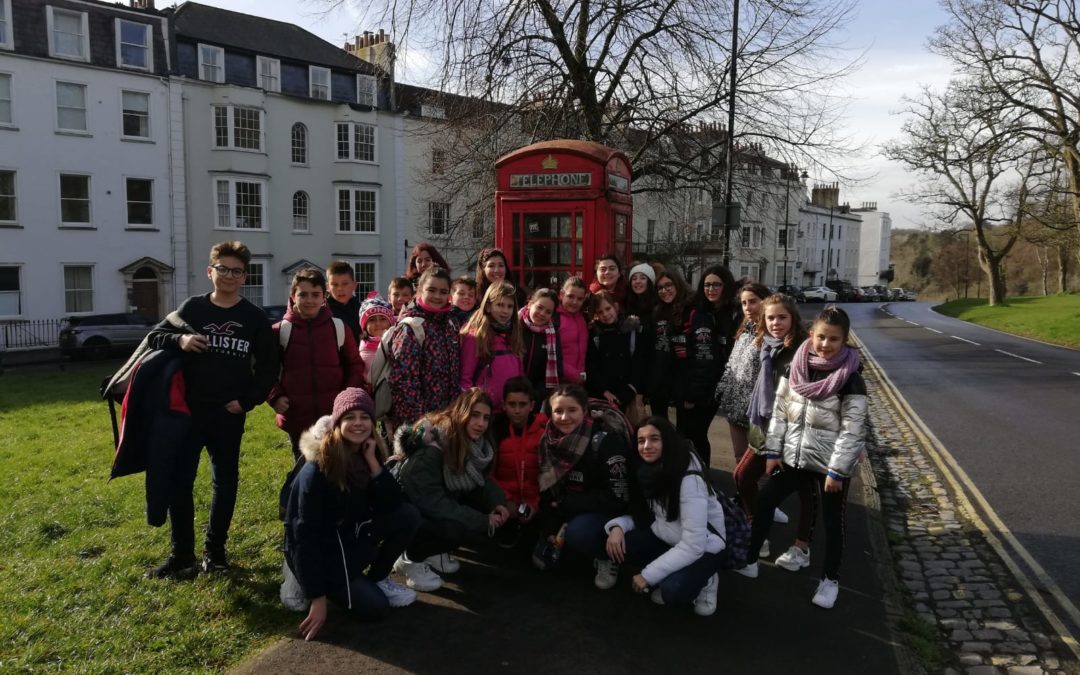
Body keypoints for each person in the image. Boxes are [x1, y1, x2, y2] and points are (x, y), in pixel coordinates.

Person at [144, 240, 278, 578]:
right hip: (187, 413)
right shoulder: (192, 309)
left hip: (227, 414)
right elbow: (155, 337)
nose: (229, 276)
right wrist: (181, 340)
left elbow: (267, 368)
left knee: (225, 484)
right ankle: (182, 556)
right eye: (223, 269)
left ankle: (214, 553)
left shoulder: (254, 318)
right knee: (180, 482)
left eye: (236, 271)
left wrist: (247, 402)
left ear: (245, 277)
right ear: (210, 271)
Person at [741, 306, 868, 610]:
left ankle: (830, 580)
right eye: (822, 337)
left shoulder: (851, 379)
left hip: (829, 466)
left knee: (832, 522)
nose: (826, 345)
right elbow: (780, 413)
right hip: (793, 458)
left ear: (844, 340)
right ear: (811, 335)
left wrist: (837, 472)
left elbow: (853, 430)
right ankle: (748, 560)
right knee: (765, 500)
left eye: (834, 339)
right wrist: (773, 451)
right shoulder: (795, 368)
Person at [284, 388, 421, 638]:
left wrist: (373, 462)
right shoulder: (317, 469)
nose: (358, 423)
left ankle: (378, 577)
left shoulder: (366, 455)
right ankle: (301, 580)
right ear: (337, 423)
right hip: (326, 555)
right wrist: (317, 597)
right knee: (376, 608)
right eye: (350, 417)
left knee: (408, 516)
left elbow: (393, 503)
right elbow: (302, 536)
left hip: (352, 540)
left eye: (364, 416)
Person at [601, 416, 726, 616]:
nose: (646, 446)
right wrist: (618, 527)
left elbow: (694, 543)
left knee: (673, 591)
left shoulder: (688, 478)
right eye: (641, 441)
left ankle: (708, 579)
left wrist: (648, 575)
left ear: (667, 441)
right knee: (618, 544)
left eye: (654, 439)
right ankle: (672, 570)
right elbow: (645, 515)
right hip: (668, 535)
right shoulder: (646, 470)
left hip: (706, 545)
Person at [394, 389, 509, 590]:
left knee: (468, 514)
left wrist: (498, 503)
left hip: (431, 505)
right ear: (460, 412)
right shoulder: (433, 450)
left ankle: (432, 553)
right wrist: (482, 521)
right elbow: (432, 503)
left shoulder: (467, 442)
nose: (481, 423)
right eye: (474, 415)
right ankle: (409, 559)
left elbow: (478, 481)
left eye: (485, 417)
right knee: (455, 528)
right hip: (406, 513)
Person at [733, 293, 814, 566]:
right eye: (770, 318)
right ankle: (758, 532)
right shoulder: (767, 345)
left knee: (806, 490)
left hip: (795, 432)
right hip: (765, 425)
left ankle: (801, 546)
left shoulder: (804, 349)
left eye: (782, 317)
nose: (776, 323)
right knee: (743, 477)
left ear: (793, 318)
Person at [269, 268, 365, 458]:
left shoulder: (338, 327)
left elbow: (354, 365)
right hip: (296, 416)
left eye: (315, 295)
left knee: (336, 466)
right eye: (303, 294)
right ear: (293, 295)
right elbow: (265, 370)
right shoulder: (279, 331)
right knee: (303, 469)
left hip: (333, 416)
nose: (310, 300)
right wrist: (275, 396)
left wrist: (345, 398)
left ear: (324, 296)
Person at [535, 385, 630, 573]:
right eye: (558, 411)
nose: (564, 418)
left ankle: (607, 557)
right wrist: (549, 527)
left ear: (584, 410)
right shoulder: (548, 441)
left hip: (605, 511)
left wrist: (566, 504)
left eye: (572, 410)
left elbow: (618, 498)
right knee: (543, 562)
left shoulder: (605, 441)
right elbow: (546, 488)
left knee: (578, 533)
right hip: (568, 506)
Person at [678, 265, 739, 467]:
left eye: (716, 285)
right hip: (701, 382)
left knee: (697, 433)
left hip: (717, 385)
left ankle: (703, 477)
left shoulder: (733, 313)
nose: (711, 289)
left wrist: (692, 395)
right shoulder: (702, 310)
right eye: (707, 285)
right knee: (690, 433)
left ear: (726, 286)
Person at [389, 266, 460, 425]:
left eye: (443, 292)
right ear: (420, 289)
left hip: (449, 418)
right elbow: (403, 381)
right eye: (431, 290)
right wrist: (421, 423)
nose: (437, 296)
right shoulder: (410, 327)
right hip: (421, 423)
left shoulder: (451, 324)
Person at [715, 283, 771, 462]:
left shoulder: (771, 333)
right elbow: (732, 364)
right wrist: (722, 390)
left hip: (757, 414)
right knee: (740, 458)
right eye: (744, 303)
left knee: (757, 461)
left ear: (765, 301)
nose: (747, 307)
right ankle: (743, 491)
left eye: (753, 302)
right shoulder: (744, 331)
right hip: (735, 408)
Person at [489, 376, 547, 548]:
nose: (517, 410)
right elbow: (488, 474)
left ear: (532, 405)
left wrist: (535, 505)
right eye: (512, 404)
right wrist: (504, 501)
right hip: (505, 505)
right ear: (503, 404)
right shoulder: (495, 430)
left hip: (535, 505)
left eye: (522, 405)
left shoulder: (544, 431)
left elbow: (550, 476)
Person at [459, 281, 525, 411]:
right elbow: (465, 379)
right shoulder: (475, 337)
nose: (505, 311)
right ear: (488, 306)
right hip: (484, 411)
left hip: (510, 410)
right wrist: (473, 407)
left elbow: (520, 374)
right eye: (500, 305)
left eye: (510, 306)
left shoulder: (514, 335)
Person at [585, 290, 646, 410]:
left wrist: (631, 389)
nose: (605, 314)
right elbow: (591, 365)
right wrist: (603, 391)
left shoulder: (630, 330)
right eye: (600, 312)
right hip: (603, 395)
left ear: (616, 307)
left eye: (608, 309)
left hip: (627, 393)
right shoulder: (595, 334)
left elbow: (639, 362)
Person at [649, 270, 690, 421]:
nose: (664, 291)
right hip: (660, 378)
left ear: (677, 285)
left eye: (668, 286)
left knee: (685, 432)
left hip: (683, 379)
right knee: (660, 427)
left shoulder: (690, 309)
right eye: (660, 288)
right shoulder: (657, 311)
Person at [519, 288, 563, 405]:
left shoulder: (553, 334)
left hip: (536, 397)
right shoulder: (515, 327)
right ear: (530, 304)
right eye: (539, 307)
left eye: (548, 312)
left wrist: (536, 394)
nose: (542, 313)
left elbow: (557, 369)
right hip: (511, 393)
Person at [555, 276, 589, 385]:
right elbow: (550, 354)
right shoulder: (554, 318)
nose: (575, 302)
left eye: (580, 299)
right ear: (561, 294)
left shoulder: (583, 318)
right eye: (570, 296)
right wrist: (574, 375)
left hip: (579, 381)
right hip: (559, 381)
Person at [358, 295, 396, 379]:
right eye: (372, 320)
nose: (378, 323)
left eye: (383, 319)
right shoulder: (363, 348)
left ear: (390, 323)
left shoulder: (397, 343)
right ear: (365, 326)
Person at [326, 260, 361, 342]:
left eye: (345, 284)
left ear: (354, 285)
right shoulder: (324, 311)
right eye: (335, 284)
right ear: (327, 287)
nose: (340, 288)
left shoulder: (361, 310)